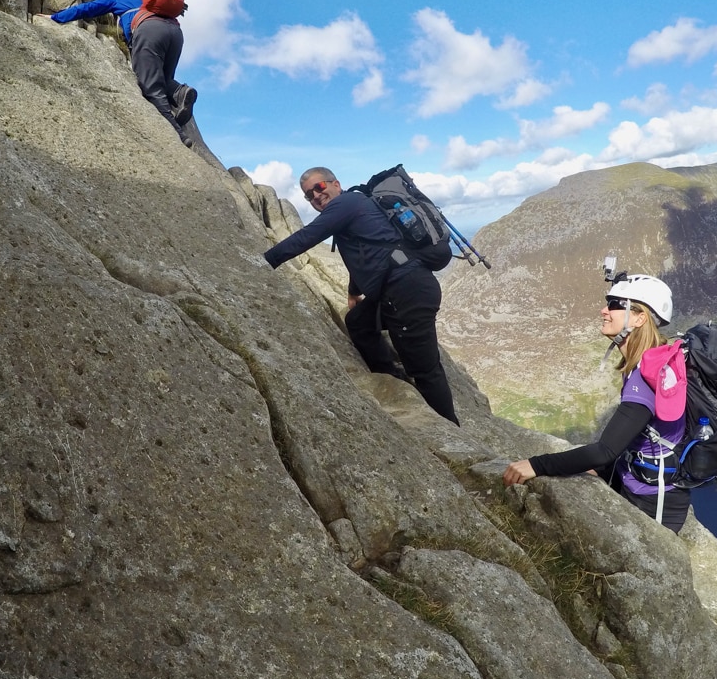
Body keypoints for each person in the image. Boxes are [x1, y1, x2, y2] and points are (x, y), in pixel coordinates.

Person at [263, 167, 460, 426]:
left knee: (425, 371)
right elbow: (370, 254)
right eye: (308, 196)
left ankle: (451, 430)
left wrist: (264, 261)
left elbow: (306, 237)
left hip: (407, 291)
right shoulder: (353, 206)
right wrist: (354, 292)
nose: (315, 196)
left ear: (335, 183)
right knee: (358, 322)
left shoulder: (347, 203)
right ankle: (391, 378)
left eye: (319, 188)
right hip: (399, 288)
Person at [503, 274, 692, 532]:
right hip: (636, 478)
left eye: (615, 304)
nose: (604, 310)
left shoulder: (646, 377)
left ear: (639, 318)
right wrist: (602, 471)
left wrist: (536, 465)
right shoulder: (650, 361)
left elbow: (605, 450)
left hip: (653, 499)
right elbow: (635, 437)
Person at [47, 0, 198, 142]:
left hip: (149, 31)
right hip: (175, 33)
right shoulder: (157, 3)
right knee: (164, 79)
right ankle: (182, 92)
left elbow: (88, 8)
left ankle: (178, 134)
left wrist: (55, 17)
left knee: (150, 86)